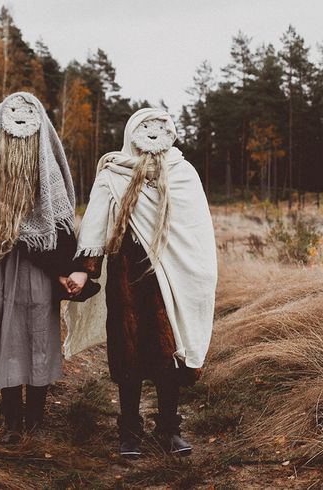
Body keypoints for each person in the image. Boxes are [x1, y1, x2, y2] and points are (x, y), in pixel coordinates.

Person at [75, 108, 217, 457]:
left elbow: (196, 230)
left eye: (160, 127)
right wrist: (85, 268)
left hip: (172, 276)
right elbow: (95, 222)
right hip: (128, 275)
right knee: (129, 355)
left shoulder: (183, 173)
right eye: (145, 127)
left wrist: (200, 274)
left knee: (169, 354)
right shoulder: (114, 173)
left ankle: (169, 429)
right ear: (132, 132)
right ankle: (129, 432)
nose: (153, 134)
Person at [0, 92, 87, 444]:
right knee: (7, 340)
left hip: (40, 268)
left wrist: (63, 268)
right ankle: (13, 422)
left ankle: (34, 420)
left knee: (39, 339)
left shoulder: (45, 165)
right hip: (2, 265)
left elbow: (59, 220)